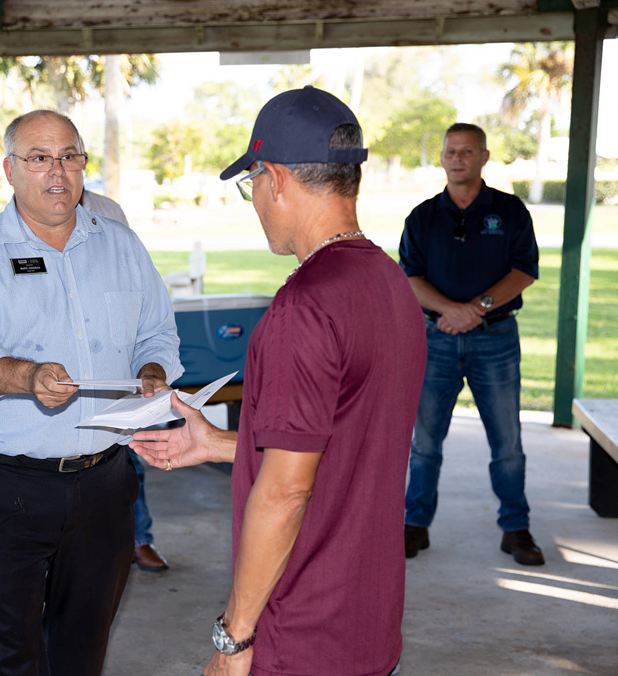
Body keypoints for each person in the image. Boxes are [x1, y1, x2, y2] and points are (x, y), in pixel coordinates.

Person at [131, 86, 426, 676]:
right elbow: (338, 445)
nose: (255, 202)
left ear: (277, 178)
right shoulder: (390, 283)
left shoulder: (303, 308)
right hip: (369, 624)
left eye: (251, 185)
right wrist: (219, 444)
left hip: (303, 635)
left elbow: (286, 493)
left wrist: (234, 638)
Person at [0, 110, 183, 676]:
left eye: (69, 156)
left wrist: (152, 370)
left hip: (106, 482)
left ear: (83, 165)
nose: (58, 171)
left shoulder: (122, 246)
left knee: (82, 646)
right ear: (9, 170)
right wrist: (28, 377)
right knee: (6, 651)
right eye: (39, 158)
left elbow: (157, 333)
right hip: (11, 485)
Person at [399, 122, 543, 566]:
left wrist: (475, 309)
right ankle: (415, 524)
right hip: (436, 341)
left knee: (507, 443)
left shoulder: (510, 211)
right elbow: (408, 279)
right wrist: (451, 311)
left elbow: (525, 270)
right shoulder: (422, 216)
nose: (457, 158)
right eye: (451, 151)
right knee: (425, 443)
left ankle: (516, 528)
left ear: (484, 157)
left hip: (495, 339)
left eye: (467, 151)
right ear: (442, 157)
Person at [80, 188, 169, 573]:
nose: (59, 170)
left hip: (117, 362)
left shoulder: (108, 210)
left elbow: (130, 280)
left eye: (70, 159)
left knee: (133, 456)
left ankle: (139, 538)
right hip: (68, 371)